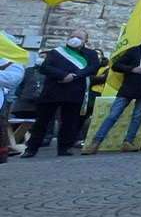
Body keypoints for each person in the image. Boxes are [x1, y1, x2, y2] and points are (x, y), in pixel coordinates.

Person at [85, 30, 141, 154]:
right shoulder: (134, 50)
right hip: (127, 88)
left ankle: (128, 142)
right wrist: (132, 69)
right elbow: (116, 65)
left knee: (137, 116)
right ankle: (96, 142)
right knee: (113, 115)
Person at [23, 30, 100, 158]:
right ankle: (31, 148)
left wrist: (74, 76)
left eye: (79, 37)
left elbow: (93, 68)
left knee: (69, 122)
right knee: (42, 122)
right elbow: (45, 67)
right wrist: (63, 75)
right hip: (52, 90)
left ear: (85, 41)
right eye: (72, 36)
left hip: (73, 91)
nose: (75, 38)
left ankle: (64, 147)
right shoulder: (56, 52)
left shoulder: (90, 54)